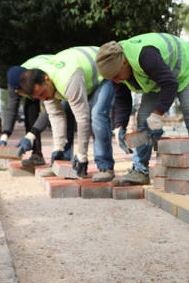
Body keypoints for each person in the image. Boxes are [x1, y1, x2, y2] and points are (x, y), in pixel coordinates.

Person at [95, 33, 189, 186]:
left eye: (116, 76)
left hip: (185, 68)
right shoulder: (115, 69)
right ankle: (140, 170)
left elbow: (170, 84)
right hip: (159, 78)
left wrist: (157, 114)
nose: (116, 80)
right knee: (143, 118)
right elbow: (122, 100)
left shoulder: (145, 56)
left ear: (125, 63)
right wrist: (118, 127)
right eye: (112, 79)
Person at [19, 46, 117, 182]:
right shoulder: (45, 87)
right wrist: (58, 148)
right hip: (82, 76)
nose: (43, 99)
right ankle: (63, 164)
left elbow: (82, 119)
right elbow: (56, 116)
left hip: (104, 71)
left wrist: (82, 154)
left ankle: (105, 167)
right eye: (38, 97)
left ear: (47, 79)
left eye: (42, 94)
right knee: (65, 111)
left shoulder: (66, 79)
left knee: (97, 115)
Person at [0, 57, 52, 167]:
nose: (19, 93)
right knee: (29, 109)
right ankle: (37, 154)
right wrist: (5, 135)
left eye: (21, 91)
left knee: (62, 113)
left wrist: (30, 136)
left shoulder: (36, 79)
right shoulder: (14, 79)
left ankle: (64, 157)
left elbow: (47, 111)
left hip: (49, 80)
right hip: (33, 79)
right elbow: (11, 106)